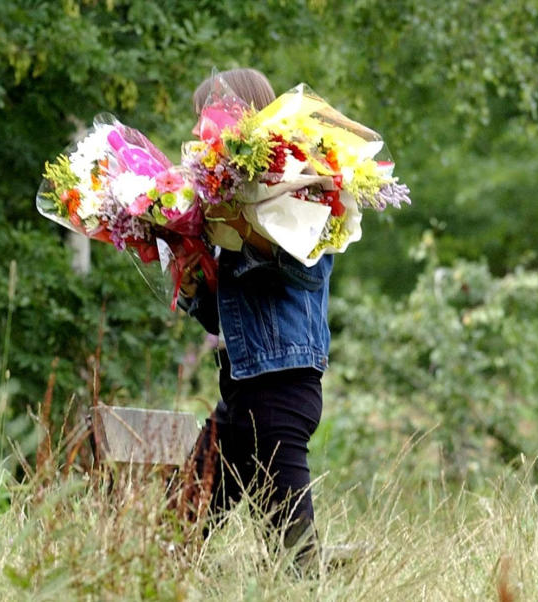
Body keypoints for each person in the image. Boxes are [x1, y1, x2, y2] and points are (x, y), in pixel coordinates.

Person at [175, 68, 332, 564]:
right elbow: (223, 320)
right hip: (242, 390)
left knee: (295, 558)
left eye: (212, 120)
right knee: (173, 532)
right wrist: (186, 261)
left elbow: (301, 273)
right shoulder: (225, 204)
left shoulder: (302, 191)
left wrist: (247, 224)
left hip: (281, 391)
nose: (204, 135)